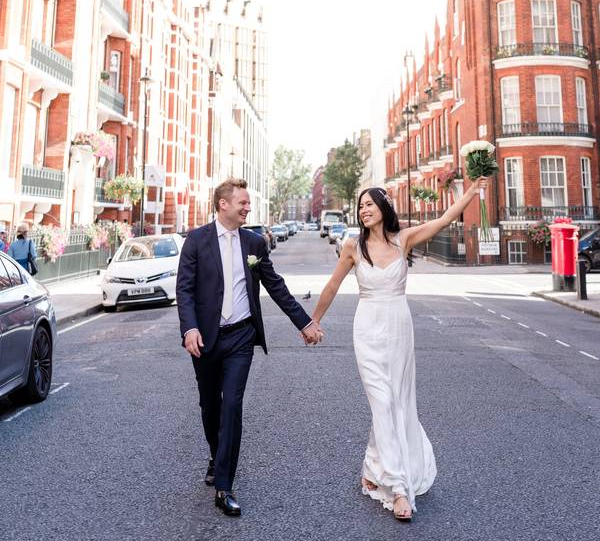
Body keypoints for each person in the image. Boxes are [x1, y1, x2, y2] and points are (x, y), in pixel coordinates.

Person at [308, 177, 487, 522]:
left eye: (369, 204)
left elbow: (445, 219)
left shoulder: (403, 240)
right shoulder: (351, 246)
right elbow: (332, 285)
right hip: (368, 328)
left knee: (397, 402)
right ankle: (398, 487)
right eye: (360, 206)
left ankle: (373, 468)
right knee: (382, 401)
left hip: (399, 329)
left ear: (384, 208)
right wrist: (313, 321)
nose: (363, 211)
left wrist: (471, 191)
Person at [176, 178, 324, 517]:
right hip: (206, 338)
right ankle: (217, 455)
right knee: (210, 406)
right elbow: (184, 290)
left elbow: (276, 287)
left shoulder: (255, 242)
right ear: (223, 204)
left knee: (233, 406)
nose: (247, 208)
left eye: (248, 203)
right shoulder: (197, 240)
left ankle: (224, 486)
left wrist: (305, 323)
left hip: (241, 336)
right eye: (242, 202)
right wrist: (190, 328)